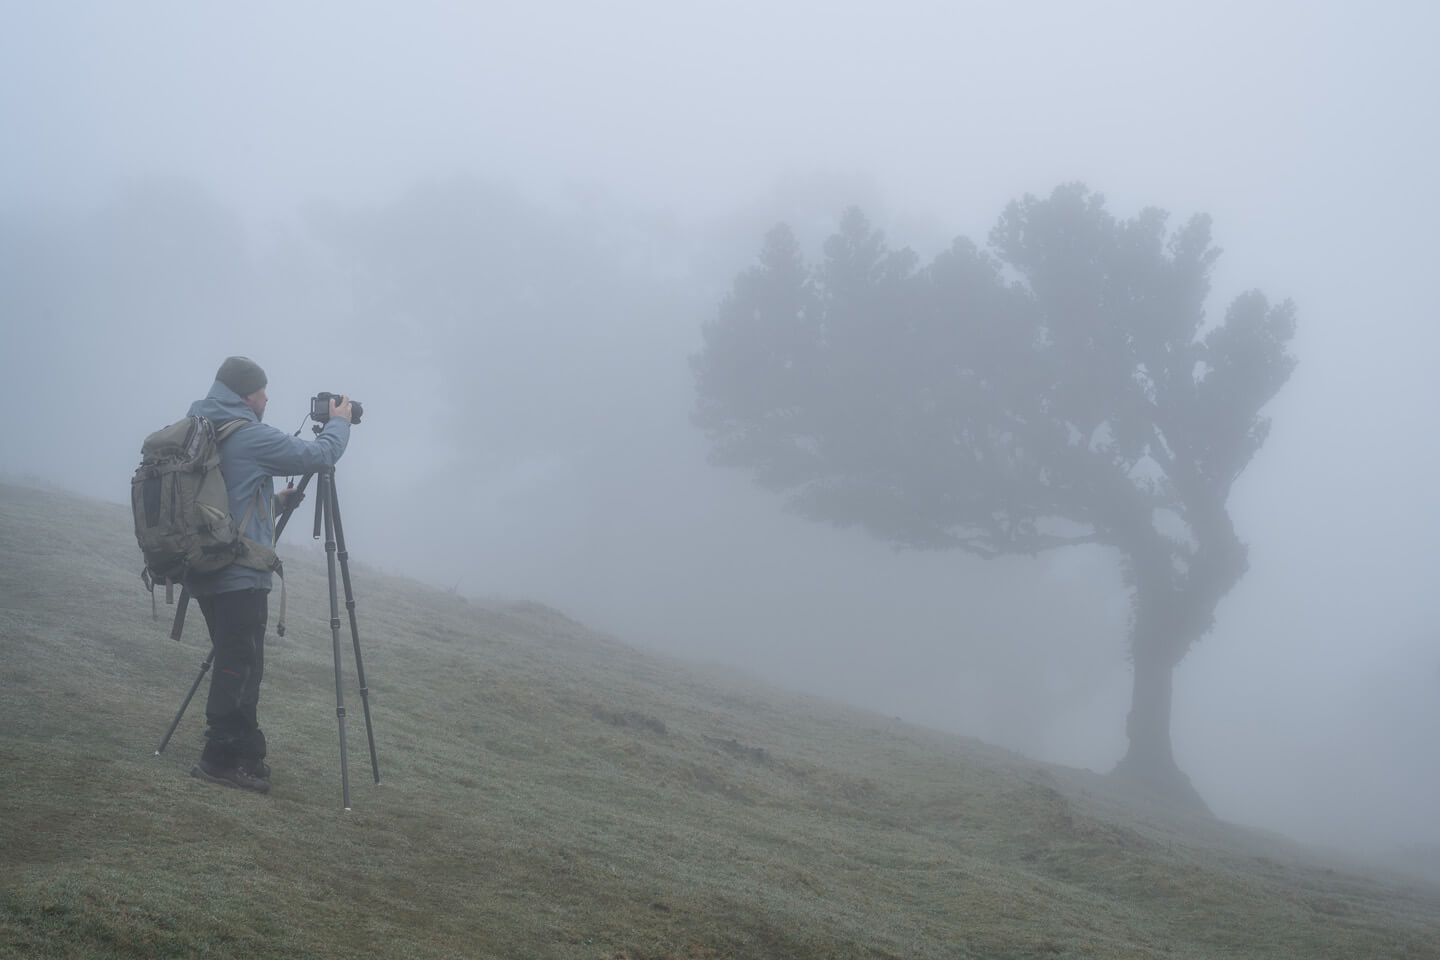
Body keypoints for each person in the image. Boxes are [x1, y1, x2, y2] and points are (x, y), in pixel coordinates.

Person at [184, 356, 353, 794]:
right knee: (237, 668)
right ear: (245, 395)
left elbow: (222, 502)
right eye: (261, 391)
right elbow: (321, 454)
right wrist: (339, 421)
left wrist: (275, 503)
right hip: (239, 574)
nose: (266, 399)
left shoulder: (201, 427)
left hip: (206, 565)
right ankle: (219, 760)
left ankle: (244, 754)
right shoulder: (249, 435)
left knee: (237, 662)